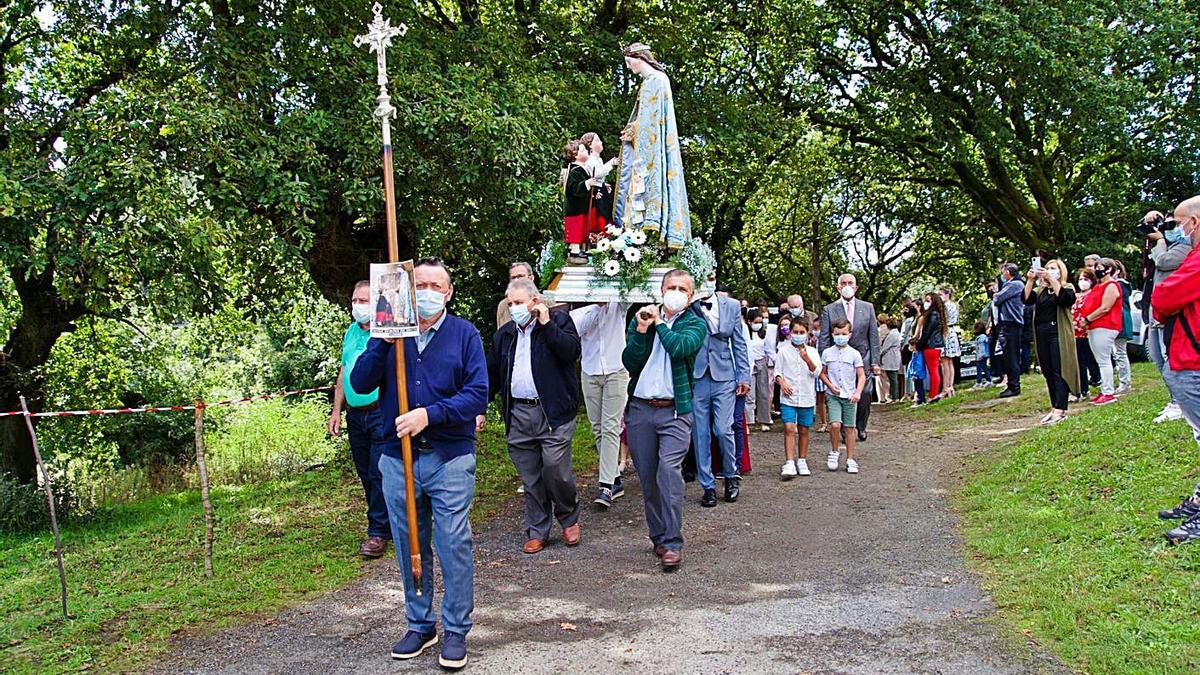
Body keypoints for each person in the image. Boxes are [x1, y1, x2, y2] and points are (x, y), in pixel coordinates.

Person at [350, 258, 487, 669]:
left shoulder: (465, 334)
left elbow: (477, 393)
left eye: (435, 285)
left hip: (449, 458)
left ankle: (457, 630)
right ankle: (420, 623)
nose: (427, 290)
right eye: (420, 284)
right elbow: (359, 384)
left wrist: (431, 414)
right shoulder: (393, 334)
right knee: (410, 542)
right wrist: (382, 339)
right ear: (408, 291)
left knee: (453, 543)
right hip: (398, 460)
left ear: (448, 292)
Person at [487, 279, 583, 554]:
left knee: (555, 469)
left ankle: (568, 515)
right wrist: (480, 407)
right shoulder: (504, 335)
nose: (514, 307)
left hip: (552, 412)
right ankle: (537, 529)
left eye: (519, 302)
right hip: (519, 412)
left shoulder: (559, 322)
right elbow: (492, 374)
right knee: (530, 477)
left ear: (534, 301)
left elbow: (570, 353)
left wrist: (546, 324)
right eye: (511, 303)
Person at [622, 269, 707, 570]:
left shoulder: (695, 324)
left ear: (691, 295)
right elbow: (630, 361)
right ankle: (658, 536)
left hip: (675, 411)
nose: (675, 292)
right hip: (641, 409)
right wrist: (642, 330)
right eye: (670, 286)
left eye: (682, 288)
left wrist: (658, 324)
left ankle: (673, 542)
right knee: (648, 477)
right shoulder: (641, 319)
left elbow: (679, 348)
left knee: (668, 472)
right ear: (660, 290)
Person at [328, 280, 391, 558]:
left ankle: (377, 533)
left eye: (364, 301)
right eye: (355, 300)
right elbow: (344, 372)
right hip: (356, 416)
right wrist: (336, 410)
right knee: (365, 472)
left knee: (379, 472)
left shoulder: (386, 333)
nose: (358, 306)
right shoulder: (351, 332)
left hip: (380, 411)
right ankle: (384, 522)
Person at [1150, 196, 1200, 544]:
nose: (1174, 228)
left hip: (1192, 359)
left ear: (1193, 224)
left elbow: (1164, 296)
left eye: (1177, 222)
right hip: (1186, 357)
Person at [613, 43, 691, 248]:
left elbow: (649, 123)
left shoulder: (653, 81)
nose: (629, 68)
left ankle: (648, 236)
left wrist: (634, 130)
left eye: (629, 63)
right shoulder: (658, 79)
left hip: (651, 152)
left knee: (647, 186)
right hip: (653, 146)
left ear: (640, 58)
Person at [689, 284, 751, 506]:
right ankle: (707, 486)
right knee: (700, 433)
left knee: (724, 429)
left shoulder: (732, 306)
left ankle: (731, 475)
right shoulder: (688, 304)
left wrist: (744, 376)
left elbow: (740, 343)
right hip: (697, 377)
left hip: (724, 375)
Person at [570, 301, 631, 509]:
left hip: (616, 369)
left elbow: (628, 291)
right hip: (591, 370)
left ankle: (605, 486)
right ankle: (614, 479)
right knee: (597, 427)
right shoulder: (579, 307)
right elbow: (577, 328)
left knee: (611, 427)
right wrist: (597, 306)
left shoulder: (619, 304)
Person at [818, 274, 880, 441]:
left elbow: (873, 336)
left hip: (863, 357)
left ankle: (860, 425)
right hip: (837, 360)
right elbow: (824, 337)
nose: (847, 286)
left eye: (850, 283)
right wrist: (822, 360)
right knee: (841, 394)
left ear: (856, 287)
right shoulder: (829, 309)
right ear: (838, 287)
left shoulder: (867, 307)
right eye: (843, 283)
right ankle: (846, 429)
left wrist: (875, 361)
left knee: (865, 393)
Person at [1147, 211, 1193, 422]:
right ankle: (1175, 399)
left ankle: (1178, 403)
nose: (1169, 229)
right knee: (1158, 357)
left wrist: (1160, 243)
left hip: (1173, 315)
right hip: (1158, 312)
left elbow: (1163, 262)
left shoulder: (1185, 249)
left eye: (1173, 224)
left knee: (1171, 360)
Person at [1021, 259, 1080, 424]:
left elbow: (1065, 299)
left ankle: (1061, 408)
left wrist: (1053, 280)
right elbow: (1026, 299)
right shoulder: (1040, 291)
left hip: (1058, 333)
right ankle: (1054, 406)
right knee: (1048, 371)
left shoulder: (1067, 288)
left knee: (1059, 370)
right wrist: (1031, 280)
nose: (1049, 271)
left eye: (1053, 269)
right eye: (1047, 268)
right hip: (1041, 334)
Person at [776, 317, 822, 479]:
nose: (798, 335)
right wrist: (782, 383)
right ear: (790, 333)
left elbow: (817, 373)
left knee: (804, 429)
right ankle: (789, 461)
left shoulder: (813, 352)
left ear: (807, 334)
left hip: (807, 397)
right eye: (795, 332)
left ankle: (802, 459)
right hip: (788, 397)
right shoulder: (783, 351)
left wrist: (807, 359)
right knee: (789, 427)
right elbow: (777, 373)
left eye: (801, 332)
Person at [820, 320, 866, 473]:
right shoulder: (827, 353)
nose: (840, 337)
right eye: (837, 334)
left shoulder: (854, 354)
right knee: (835, 424)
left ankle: (850, 458)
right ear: (832, 334)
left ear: (850, 335)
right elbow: (822, 372)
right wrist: (829, 385)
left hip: (850, 395)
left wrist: (857, 392)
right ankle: (834, 451)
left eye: (844, 334)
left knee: (850, 428)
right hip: (833, 395)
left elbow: (861, 375)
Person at [1079, 258, 1123, 406]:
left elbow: (1105, 307)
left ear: (1109, 269)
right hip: (1095, 326)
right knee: (1100, 360)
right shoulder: (1099, 285)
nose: (1097, 269)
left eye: (1100, 267)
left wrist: (1088, 318)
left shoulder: (1111, 285)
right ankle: (1105, 389)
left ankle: (1108, 392)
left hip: (1105, 325)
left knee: (1103, 360)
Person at [992, 263, 1026, 398]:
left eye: (1003, 272)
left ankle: (1014, 386)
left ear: (1008, 272)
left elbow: (997, 298)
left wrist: (997, 293)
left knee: (1011, 356)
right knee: (1007, 355)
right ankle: (1011, 384)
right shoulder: (1010, 285)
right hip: (1006, 323)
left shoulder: (1015, 284)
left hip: (1012, 323)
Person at [746, 309, 776, 432]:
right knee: (750, 395)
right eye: (755, 322)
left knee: (763, 393)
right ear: (749, 322)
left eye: (760, 322)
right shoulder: (745, 333)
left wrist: (777, 362)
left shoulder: (764, 334)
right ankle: (748, 422)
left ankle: (764, 420)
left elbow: (769, 350)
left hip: (761, 362)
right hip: (749, 364)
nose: (758, 324)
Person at [915, 292, 948, 401]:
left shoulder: (933, 315)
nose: (926, 303)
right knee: (934, 371)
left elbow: (927, 332)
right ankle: (934, 394)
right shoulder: (937, 314)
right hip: (934, 345)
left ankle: (933, 395)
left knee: (933, 371)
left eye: (928, 300)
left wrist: (919, 344)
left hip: (931, 345)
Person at [1112, 259, 1134, 395]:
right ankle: (1123, 381)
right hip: (1120, 320)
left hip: (1121, 321)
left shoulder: (1120, 285)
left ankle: (1125, 382)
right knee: (1118, 352)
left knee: (1120, 352)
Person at [496, 262, 535, 328]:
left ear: (531, 278)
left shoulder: (546, 302)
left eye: (520, 276)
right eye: (513, 278)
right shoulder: (503, 306)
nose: (517, 280)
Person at [939, 288, 962, 397]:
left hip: (946, 332)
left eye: (941, 294)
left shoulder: (945, 307)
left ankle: (945, 387)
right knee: (950, 361)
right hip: (951, 331)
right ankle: (950, 386)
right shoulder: (954, 305)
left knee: (945, 362)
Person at [880, 316, 902, 403]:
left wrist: (878, 355)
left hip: (891, 358)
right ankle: (893, 396)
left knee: (892, 378)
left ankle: (894, 397)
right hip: (893, 357)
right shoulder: (895, 333)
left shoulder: (892, 334)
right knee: (892, 378)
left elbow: (885, 347)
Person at [972, 320, 992, 388]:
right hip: (985, 355)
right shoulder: (984, 336)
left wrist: (980, 356)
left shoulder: (980, 338)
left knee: (979, 369)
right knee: (985, 368)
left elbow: (981, 347)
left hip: (981, 355)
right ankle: (988, 380)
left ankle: (979, 382)